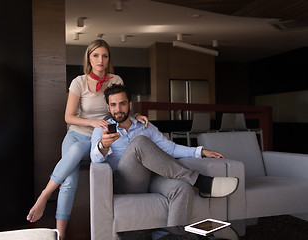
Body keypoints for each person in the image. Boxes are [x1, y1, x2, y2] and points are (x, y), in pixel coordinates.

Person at [26, 40, 148, 240]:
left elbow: (121, 108)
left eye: (105, 56)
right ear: (89, 59)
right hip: (76, 134)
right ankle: (60, 234)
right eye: (96, 55)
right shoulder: (79, 82)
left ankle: (45, 193)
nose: (100, 60)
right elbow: (68, 117)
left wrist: (137, 117)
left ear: (109, 59)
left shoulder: (116, 79)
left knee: (82, 156)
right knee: (69, 182)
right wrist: (92, 122)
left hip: (100, 139)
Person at [90, 84, 239, 226]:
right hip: (125, 182)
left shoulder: (145, 125)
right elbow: (95, 159)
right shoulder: (102, 129)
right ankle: (200, 181)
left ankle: (173, 235)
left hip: (151, 178)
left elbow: (170, 149)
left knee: (183, 188)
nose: (118, 109)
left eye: (122, 104)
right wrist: (104, 145)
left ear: (130, 105)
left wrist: (200, 151)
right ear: (108, 107)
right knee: (140, 142)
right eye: (113, 105)